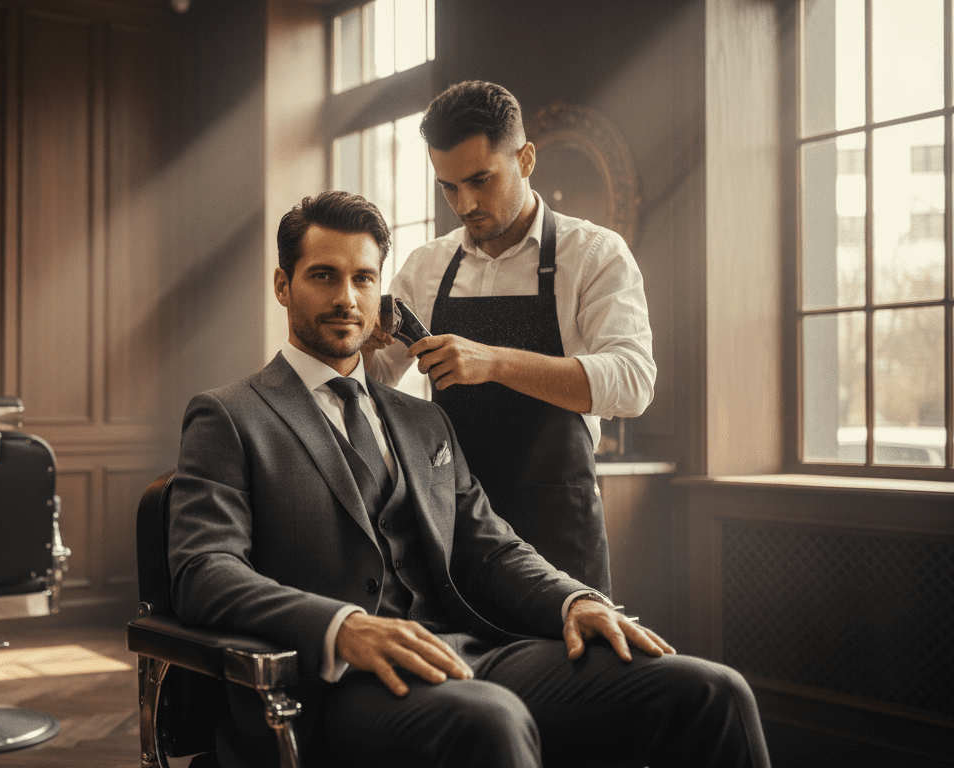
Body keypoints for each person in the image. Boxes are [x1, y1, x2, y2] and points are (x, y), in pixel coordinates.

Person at [168, 190, 768, 768]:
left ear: (381, 292)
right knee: (490, 720)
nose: (347, 297)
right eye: (324, 276)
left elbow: (489, 546)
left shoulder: (423, 419)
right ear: (283, 285)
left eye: (364, 279)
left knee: (712, 692)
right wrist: (342, 628)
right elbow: (204, 572)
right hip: (336, 686)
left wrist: (573, 599)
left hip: (470, 654)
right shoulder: (230, 415)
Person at [364, 81, 657, 596]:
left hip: (557, 531)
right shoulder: (427, 266)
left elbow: (633, 383)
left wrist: (495, 362)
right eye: (449, 186)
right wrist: (355, 346)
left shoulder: (593, 254)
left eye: (481, 179)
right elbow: (377, 379)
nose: (466, 203)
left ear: (525, 159)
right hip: (453, 525)